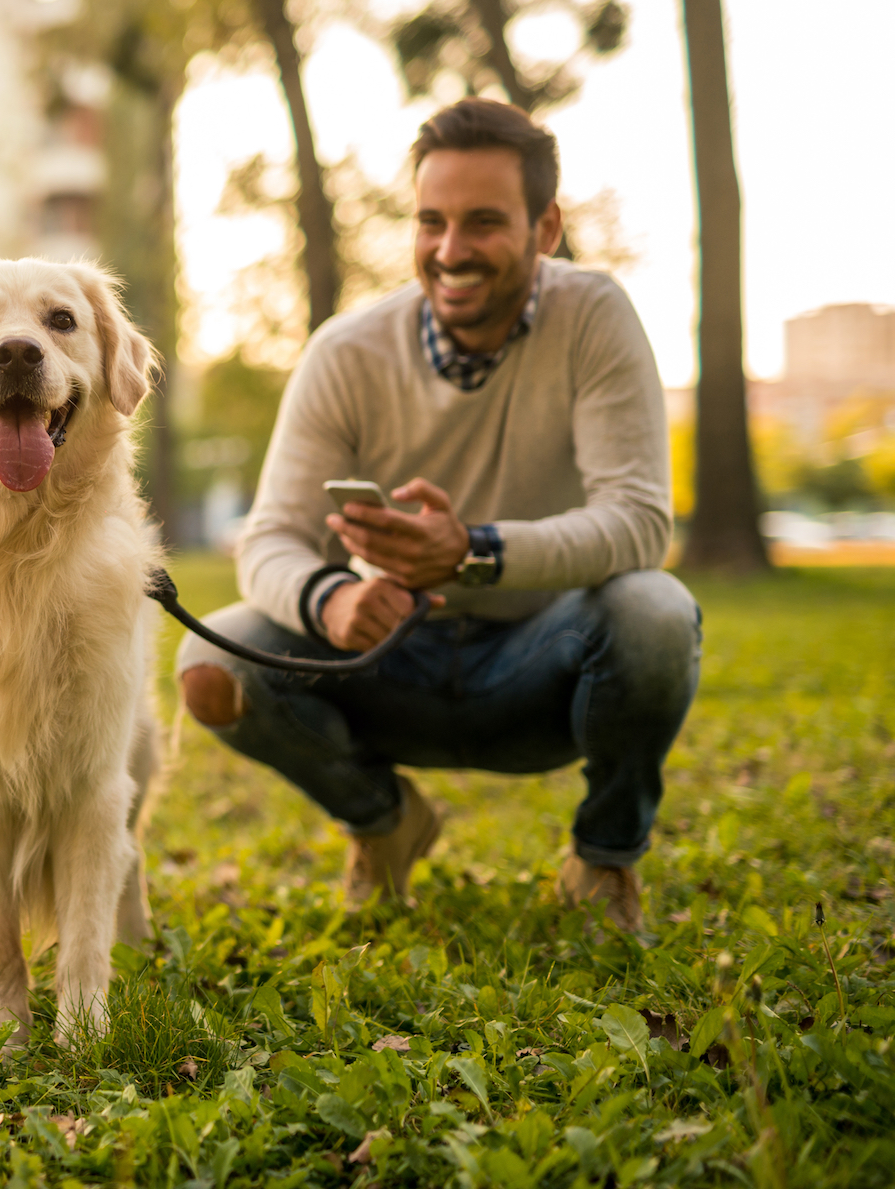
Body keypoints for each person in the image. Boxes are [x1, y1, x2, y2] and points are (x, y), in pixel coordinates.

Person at [175, 97, 701, 931]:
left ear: (545, 227)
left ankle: (603, 859)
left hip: (545, 666)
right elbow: (269, 538)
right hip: (388, 665)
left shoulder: (593, 316)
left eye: (483, 222)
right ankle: (383, 824)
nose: (449, 251)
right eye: (430, 221)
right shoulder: (345, 352)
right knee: (213, 660)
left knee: (656, 612)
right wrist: (332, 599)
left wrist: (473, 550)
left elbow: (639, 521)